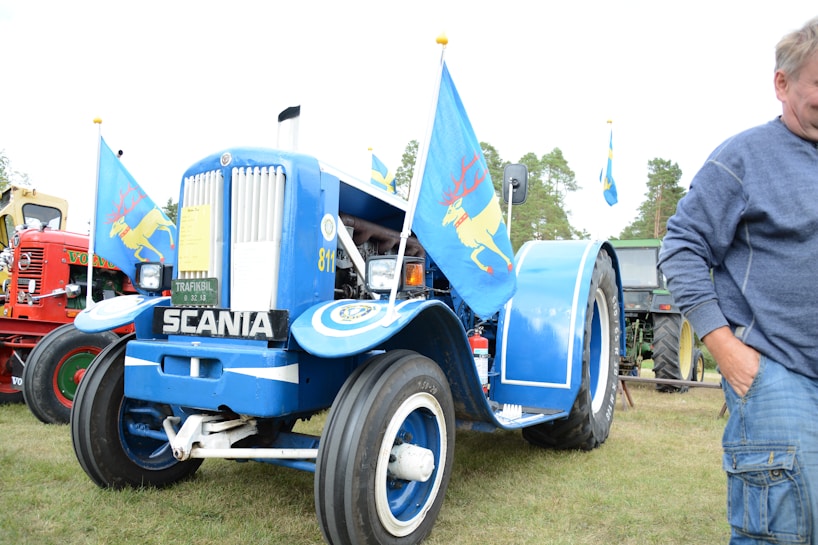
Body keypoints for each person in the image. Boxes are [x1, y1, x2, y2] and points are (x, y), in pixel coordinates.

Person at [658, 16, 818, 545]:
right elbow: (680, 247)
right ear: (783, 84)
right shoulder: (743, 158)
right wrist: (723, 346)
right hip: (777, 378)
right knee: (782, 534)